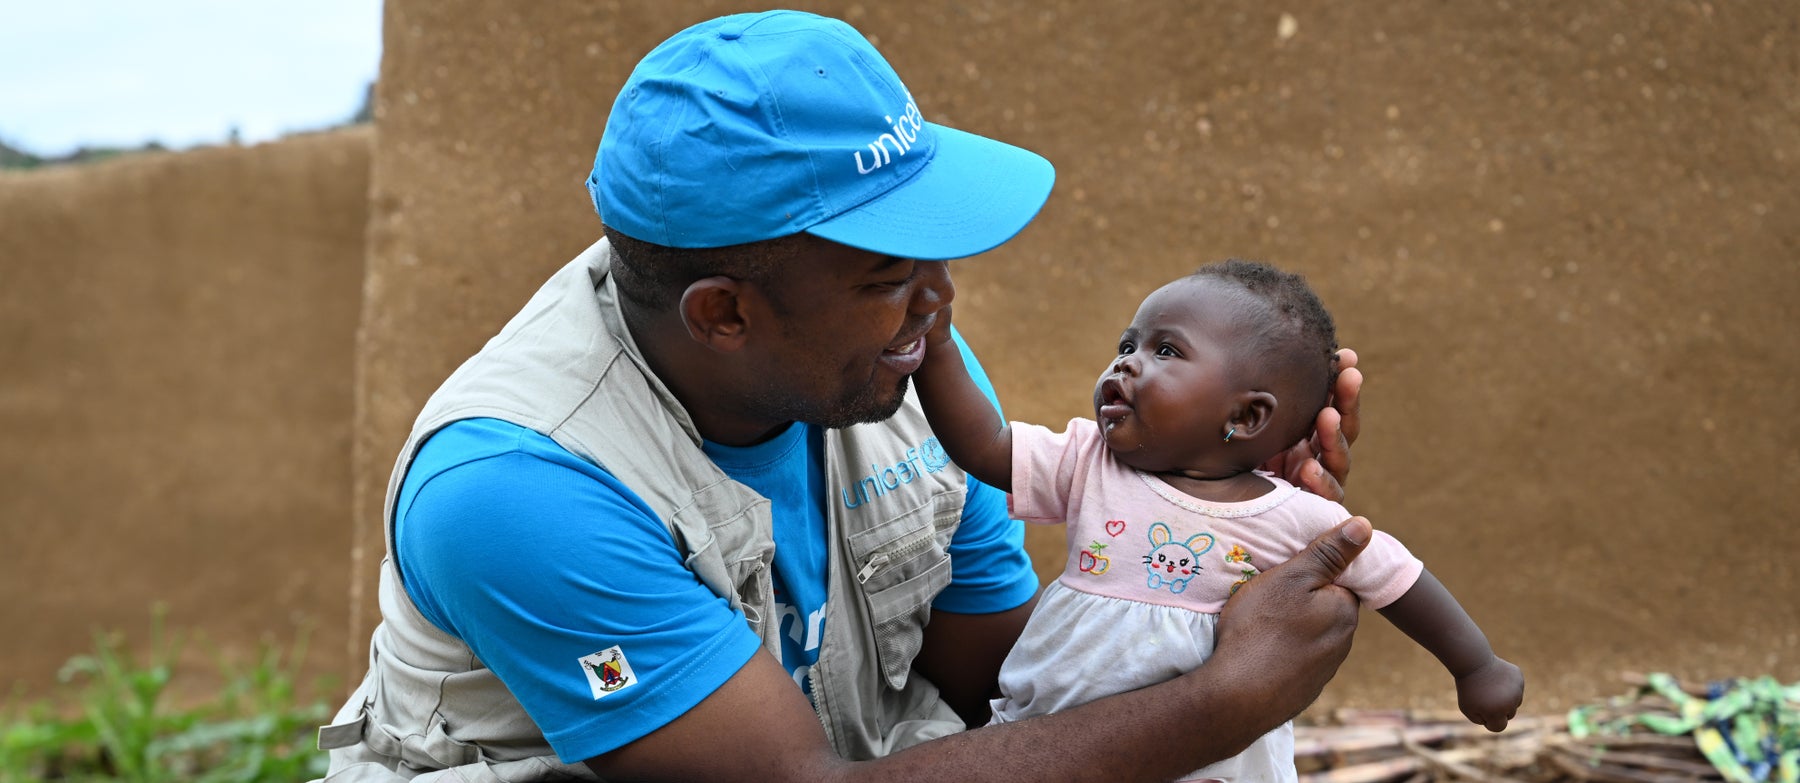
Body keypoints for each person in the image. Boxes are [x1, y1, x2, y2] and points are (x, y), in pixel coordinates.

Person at [315, 10, 1373, 782]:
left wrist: (1201, 537)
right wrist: (1228, 701)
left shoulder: (889, 369)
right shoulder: (519, 486)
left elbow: (1013, 701)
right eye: (889, 278)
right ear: (724, 314)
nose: (938, 302)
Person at [913, 259, 1525, 782]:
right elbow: (986, 444)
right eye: (1127, 346)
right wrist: (936, 346)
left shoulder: (1295, 517)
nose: (1125, 364)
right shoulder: (1089, 462)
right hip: (1055, 752)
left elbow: (1399, 578)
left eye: (1166, 351)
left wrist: (1476, 667)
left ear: (1248, 416)